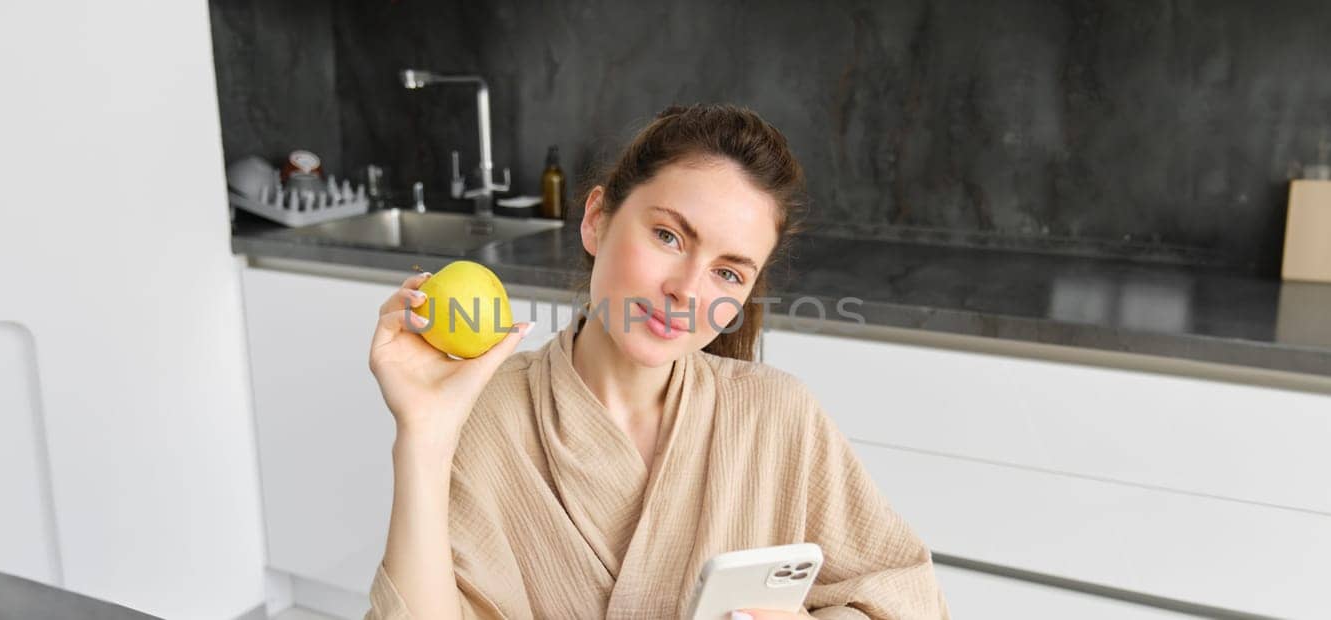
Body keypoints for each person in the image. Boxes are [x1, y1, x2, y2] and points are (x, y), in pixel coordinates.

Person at [365, 104, 948, 619]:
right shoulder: (484, 413)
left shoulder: (778, 414)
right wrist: (423, 435)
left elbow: (908, 596)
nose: (687, 292)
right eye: (669, 236)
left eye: (727, 272)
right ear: (597, 219)